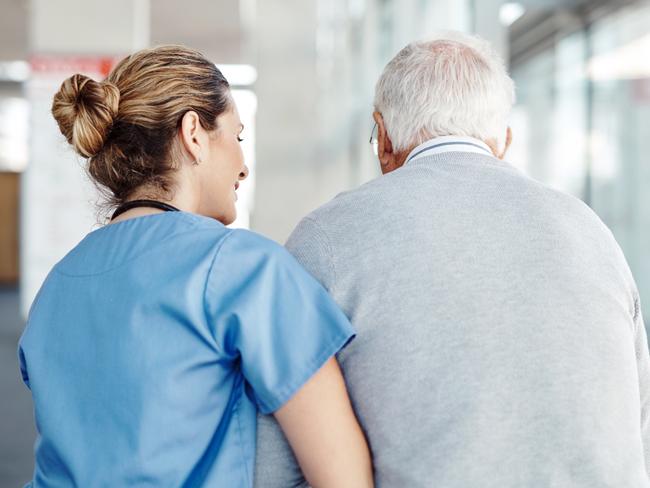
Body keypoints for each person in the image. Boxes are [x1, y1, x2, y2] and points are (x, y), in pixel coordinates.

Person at [255, 32, 650, 487]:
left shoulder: (326, 238)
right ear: (502, 141)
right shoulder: (591, 231)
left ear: (382, 137)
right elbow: (638, 425)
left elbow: (278, 456)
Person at [18, 45, 372, 488]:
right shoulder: (242, 268)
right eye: (238, 137)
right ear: (193, 134)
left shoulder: (56, 287)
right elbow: (344, 478)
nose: (243, 167)